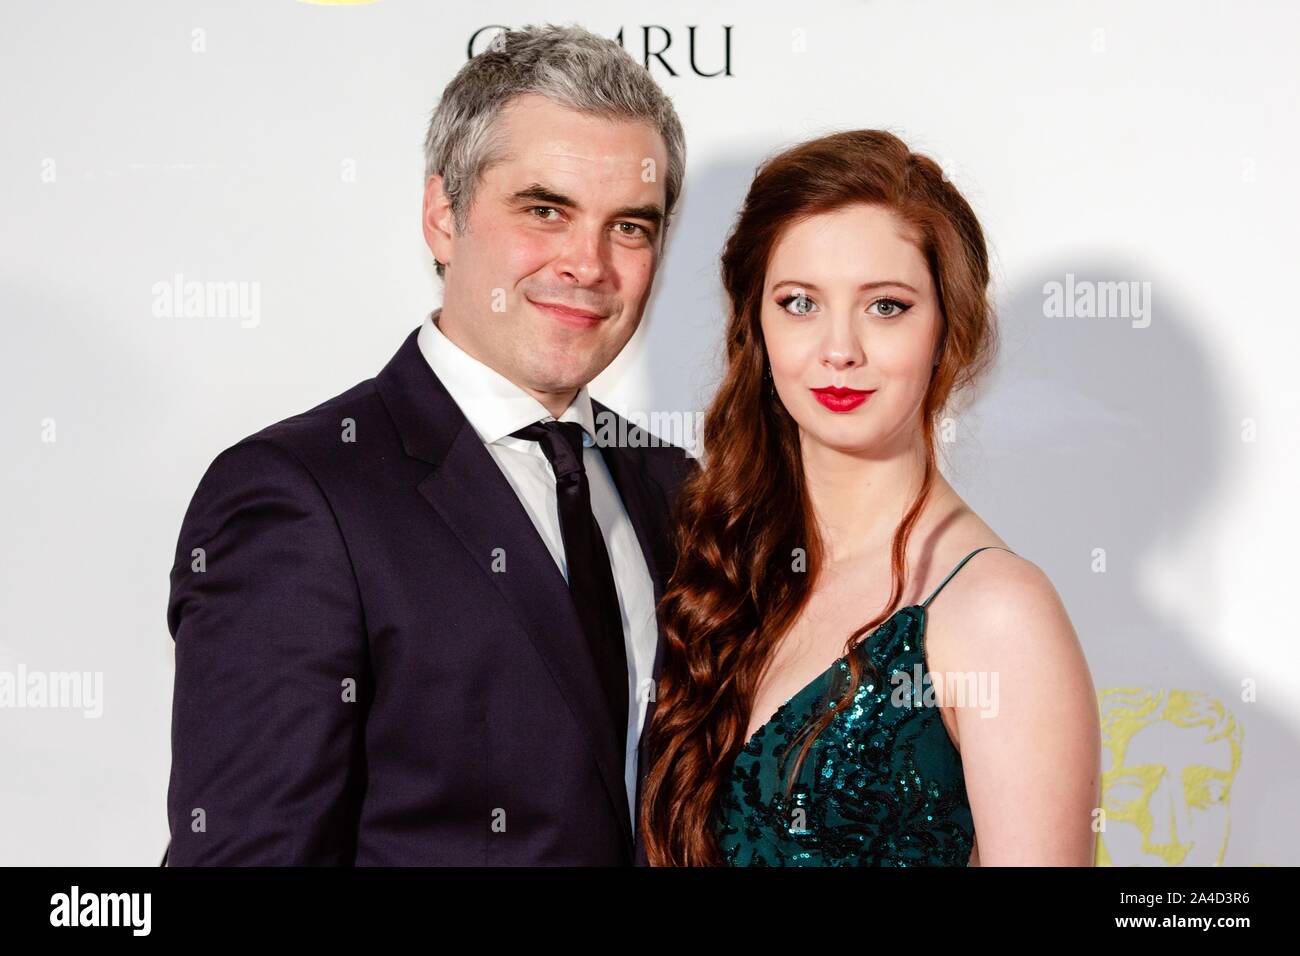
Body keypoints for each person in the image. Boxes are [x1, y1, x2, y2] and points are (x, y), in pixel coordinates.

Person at [164, 24, 694, 865]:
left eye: (629, 226)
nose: (588, 264)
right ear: (443, 216)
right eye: (545, 210)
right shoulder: (300, 496)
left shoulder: (675, 485)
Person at [640, 130, 1101, 866]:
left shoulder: (997, 614)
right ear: (754, 323)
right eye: (799, 303)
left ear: (947, 328)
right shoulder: (723, 560)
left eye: (886, 306)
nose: (839, 349)